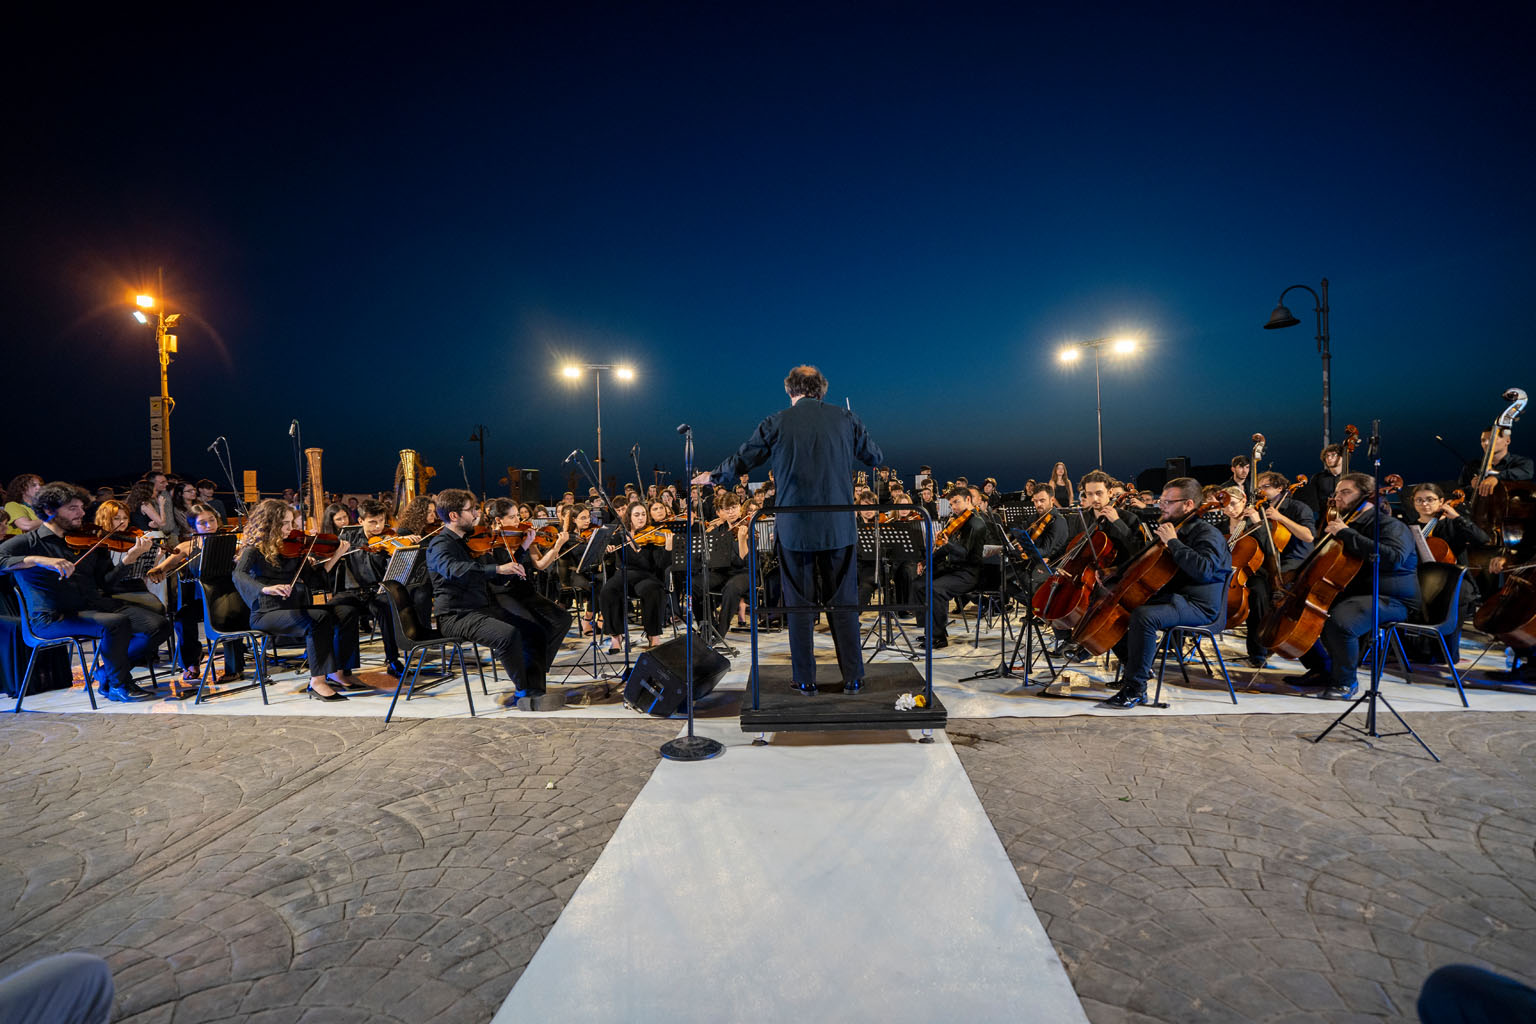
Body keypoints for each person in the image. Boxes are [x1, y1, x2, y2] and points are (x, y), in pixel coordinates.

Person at [696, 364, 883, 694]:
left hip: (796, 529)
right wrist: (852, 430)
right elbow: (874, 457)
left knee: (798, 606)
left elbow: (744, 458)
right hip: (839, 527)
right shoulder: (845, 418)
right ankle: (854, 677)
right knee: (844, 603)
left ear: (790, 390)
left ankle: (805, 679)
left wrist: (714, 476)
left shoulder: (776, 422)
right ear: (821, 389)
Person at [0, 482, 172, 702]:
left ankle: (106, 672)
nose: (82, 513)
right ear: (50, 510)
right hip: (53, 617)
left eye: (81, 507)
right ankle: (120, 685)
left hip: (93, 606)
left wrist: (128, 560)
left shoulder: (90, 540)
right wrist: (35, 560)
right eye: (73, 508)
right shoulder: (28, 543)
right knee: (114, 623)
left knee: (158, 625)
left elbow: (107, 583)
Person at [1101, 477, 1232, 709]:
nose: (1161, 506)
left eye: (1168, 502)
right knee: (1115, 605)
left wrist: (1173, 542)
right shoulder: (1176, 528)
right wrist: (1118, 573)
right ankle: (1138, 665)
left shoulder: (1206, 534)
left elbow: (1204, 571)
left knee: (1145, 616)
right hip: (1177, 597)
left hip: (1200, 606)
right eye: (1162, 501)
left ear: (1188, 504)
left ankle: (1136, 688)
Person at [1293, 473, 1421, 700]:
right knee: (1298, 611)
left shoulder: (1389, 525)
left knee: (1341, 621)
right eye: (1336, 492)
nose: (1337, 498)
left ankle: (1346, 683)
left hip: (1391, 597)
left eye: (1345, 492)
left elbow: (1393, 558)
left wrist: (1345, 533)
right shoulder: (1351, 524)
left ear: (1366, 496)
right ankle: (1324, 669)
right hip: (1358, 593)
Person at [425, 488, 553, 705]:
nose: (476, 514)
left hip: (480, 608)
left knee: (536, 630)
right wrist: (498, 569)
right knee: (507, 635)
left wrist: (520, 552)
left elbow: (497, 580)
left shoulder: (469, 541)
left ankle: (535, 686)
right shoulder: (440, 544)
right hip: (455, 615)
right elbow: (453, 569)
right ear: (454, 516)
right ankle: (523, 690)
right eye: (471, 510)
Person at [233, 499, 363, 701]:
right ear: (270, 524)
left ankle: (339, 671)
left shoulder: (293, 549)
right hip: (266, 613)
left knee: (347, 612)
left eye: (291, 523)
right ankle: (317, 681)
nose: (290, 528)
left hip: (294, 609)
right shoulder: (254, 550)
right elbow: (238, 575)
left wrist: (336, 555)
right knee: (318, 618)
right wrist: (266, 588)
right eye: (285, 523)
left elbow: (316, 581)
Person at [1238, 472, 1316, 668]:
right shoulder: (1260, 509)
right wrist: (1249, 521)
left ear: (1279, 489)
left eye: (1265, 487)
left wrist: (1280, 517)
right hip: (1267, 561)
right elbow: (1260, 541)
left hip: (1294, 561)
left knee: (1280, 595)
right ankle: (1257, 651)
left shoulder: (1298, 508)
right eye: (1259, 487)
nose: (1260, 491)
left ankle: (1286, 642)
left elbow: (1308, 536)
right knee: (1256, 591)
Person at [915, 486, 988, 649]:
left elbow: (965, 554)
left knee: (936, 589)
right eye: (951, 504)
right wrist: (926, 561)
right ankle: (930, 629)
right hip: (953, 568)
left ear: (968, 500)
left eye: (956, 502)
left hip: (968, 572)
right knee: (919, 584)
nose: (953, 507)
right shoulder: (957, 521)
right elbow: (945, 550)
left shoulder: (976, 523)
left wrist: (948, 543)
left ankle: (938, 637)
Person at [599, 501, 673, 653]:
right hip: (624, 574)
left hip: (646, 575)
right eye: (637, 515)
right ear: (629, 517)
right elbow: (605, 552)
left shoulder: (653, 536)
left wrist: (668, 549)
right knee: (608, 591)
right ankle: (616, 636)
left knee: (654, 590)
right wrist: (607, 548)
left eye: (644, 514)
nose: (641, 518)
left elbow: (660, 565)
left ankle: (653, 635)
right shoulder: (620, 535)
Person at [1459, 425, 1534, 496]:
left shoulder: (1523, 463)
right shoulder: (1471, 466)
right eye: (1483, 440)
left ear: (1507, 441)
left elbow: (1526, 472)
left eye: (1492, 439)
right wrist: (1473, 487)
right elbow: (1460, 491)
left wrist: (1496, 477)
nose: (1486, 443)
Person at [1298, 443, 1346, 520]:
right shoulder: (1318, 477)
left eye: (1333, 455)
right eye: (1327, 456)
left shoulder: (1353, 477)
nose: (1329, 458)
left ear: (1342, 457)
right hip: (1324, 517)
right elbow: (1313, 502)